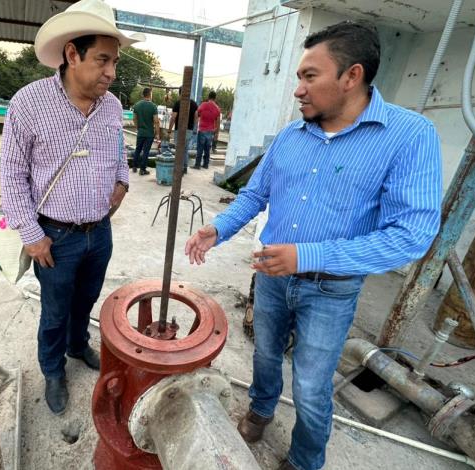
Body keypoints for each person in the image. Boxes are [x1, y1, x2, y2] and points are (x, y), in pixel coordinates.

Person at [184, 21, 442, 470]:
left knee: (310, 384)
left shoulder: (408, 136)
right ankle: (261, 410)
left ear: (351, 76)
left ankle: (304, 460)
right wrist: (219, 229)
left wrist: (307, 256)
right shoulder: (291, 134)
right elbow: (254, 193)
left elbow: (411, 237)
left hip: (331, 288)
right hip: (270, 276)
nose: (298, 90)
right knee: (265, 355)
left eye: (309, 77)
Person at [0, 0, 143, 416]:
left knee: (87, 299)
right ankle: (52, 369)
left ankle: (79, 347)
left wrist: (122, 181)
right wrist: (31, 235)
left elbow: (118, 149)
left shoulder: (113, 106)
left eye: (114, 62)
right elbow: (11, 174)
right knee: (55, 309)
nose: (111, 73)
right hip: (54, 235)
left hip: (99, 232)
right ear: (71, 54)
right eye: (102, 60)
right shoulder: (29, 103)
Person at [168, 89, 198, 173]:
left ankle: (178, 168)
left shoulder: (178, 103)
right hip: (189, 130)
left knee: (178, 149)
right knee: (185, 149)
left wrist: (170, 130)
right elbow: (196, 117)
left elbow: (173, 117)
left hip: (179, 130)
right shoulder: (194, 104)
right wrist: (195, 129)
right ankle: (184, 167)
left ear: (180, 93)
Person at [132, 87, 160, 175]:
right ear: (150, 94)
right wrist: (157, 134)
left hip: (140, 132)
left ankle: (134, 166)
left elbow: (134, 119)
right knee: (146, 151)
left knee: (138, 149)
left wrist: (137, 128)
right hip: (149, 133)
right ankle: (142, 169)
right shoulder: (153, 106)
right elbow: (156, 121)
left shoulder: (137, 105)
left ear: (143, 94)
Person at [195, 90, 221, 169]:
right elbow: (218, 122)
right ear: (215, 98)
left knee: (200, 148)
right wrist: (216, 133)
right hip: (211, 131)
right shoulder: (217, 108)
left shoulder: (204, 105)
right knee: (207, 149)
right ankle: (206, 164)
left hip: (202, 129)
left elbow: (197, 112)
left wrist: (196, 123)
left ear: (208, 97)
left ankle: (197, 165)